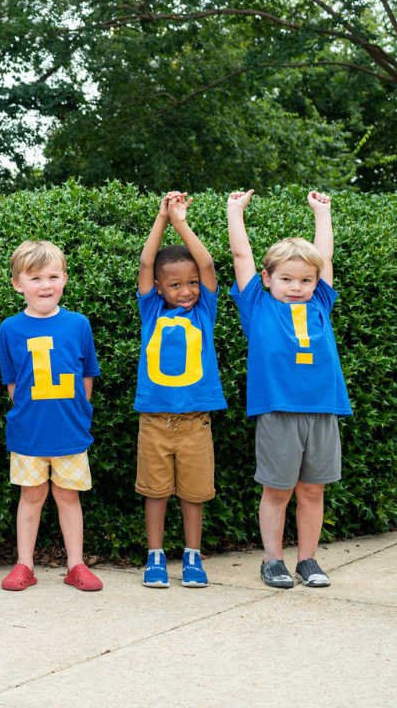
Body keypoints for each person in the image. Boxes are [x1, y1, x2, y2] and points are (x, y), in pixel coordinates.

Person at [227, 190, 352, 589]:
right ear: (268, 279)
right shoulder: (258, 305)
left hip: (323, 409)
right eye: (286, 278)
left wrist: (322, 213)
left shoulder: (320, 304)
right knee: (278, 491)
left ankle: (309, 561)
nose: (296, 286)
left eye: (305, 280)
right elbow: (241, 258)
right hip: (278, 411)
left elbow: (324, 258)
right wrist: (235, 212)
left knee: (313, 491)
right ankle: (273, 560)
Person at [0, 240, 103, 593]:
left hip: (70, 430)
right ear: (17, 283)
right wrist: (29, 410)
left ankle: (76, 565)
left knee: (69, 497)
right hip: (29, 432)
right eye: (36, 277)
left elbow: (87, 374)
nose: (46, 285)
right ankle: (24, 564)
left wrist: (78, 410)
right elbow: (11, 381)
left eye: (53, 276)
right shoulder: (9, 328)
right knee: (31, 497)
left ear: (65, 279)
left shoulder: (78, 324)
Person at [133, 193, 225, 589]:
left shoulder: (204, 310)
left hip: (195, 423)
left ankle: (192, 556)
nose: (186, 290)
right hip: (154, 421)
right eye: (176, 284)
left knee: (193, 494)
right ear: (158, 287)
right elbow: (144, 263)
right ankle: (155, 556)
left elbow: (206, 264)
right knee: (155, 493)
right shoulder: (151, 309)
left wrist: (181, 223)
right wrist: (160, 218)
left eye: (191, 284)